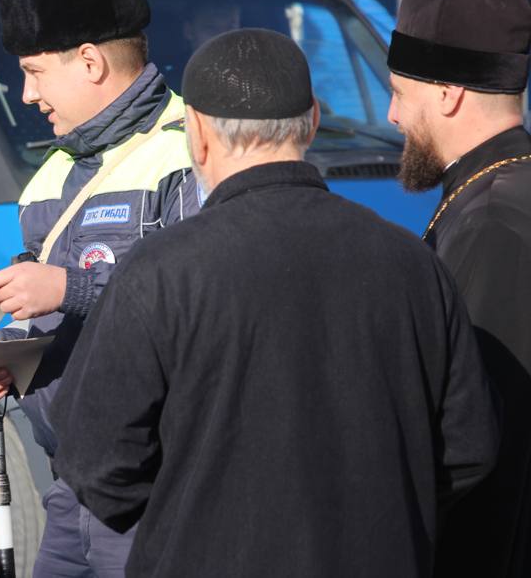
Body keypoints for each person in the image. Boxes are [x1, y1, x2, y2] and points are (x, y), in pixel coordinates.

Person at [50, 28, 499, 578]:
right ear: (312, 120)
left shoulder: (159, 272)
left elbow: (95, 460)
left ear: (196, 134)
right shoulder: (412, 262)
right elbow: (468, 447)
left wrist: (195, 509)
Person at [0, 0, 198, 576]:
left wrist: (70, 285)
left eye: (34, 73)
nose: (27, 94)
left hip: (162, 492)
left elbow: (204, 297)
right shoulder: (51, 172)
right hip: (73, 486)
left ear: (89, 63)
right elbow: (40, 306)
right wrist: (1, 359)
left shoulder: (192, 146)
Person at [385, 0, 531, 578]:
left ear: (447, 92)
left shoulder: (491, 225)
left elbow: (484, 441)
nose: (392, 116)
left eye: (398, 92)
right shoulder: (497, 195)